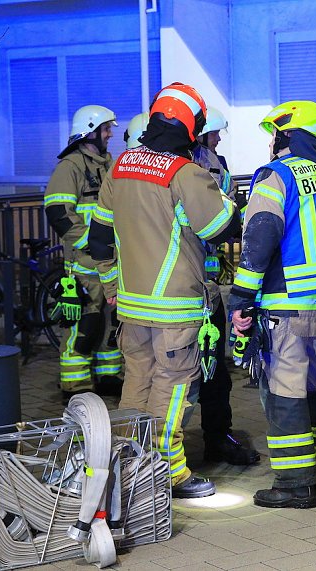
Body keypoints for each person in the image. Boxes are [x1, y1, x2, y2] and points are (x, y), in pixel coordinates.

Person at [88, 83, 240, 499]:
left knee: (136, 381)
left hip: (131, 305)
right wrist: (226, 198)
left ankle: (125, 466)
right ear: (191, 127)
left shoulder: (119, 168)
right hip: (175, 306)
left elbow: (99, 240)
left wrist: (111, 286)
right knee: (172, 388)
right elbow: (222, 229)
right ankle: (167, 473)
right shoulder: (186, 173)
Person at [228, 100, 316, 509]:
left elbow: (260, 236)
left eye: (274, 134)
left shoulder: (276, 175)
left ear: (286, 134)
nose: (271, 141)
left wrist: (242, 297)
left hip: (285, 302)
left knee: (285, 391)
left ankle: (296, 483)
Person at [190, 107, 260, 466]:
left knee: (213, 369)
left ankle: (218, 438)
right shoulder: (187, 169)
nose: (218, 139)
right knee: (194, 374)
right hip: (184, 287)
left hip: (204, 281)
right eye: (214, 133)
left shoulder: (212, 162)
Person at [44, 105, 123, 400]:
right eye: (106, 129)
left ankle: (108, 376)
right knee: (85, 325)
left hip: (110, 262)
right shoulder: (70, 166)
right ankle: (75, 383)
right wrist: (90, 242)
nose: (110, 134)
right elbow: (59, 214)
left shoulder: (107, 163)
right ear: (90, 131)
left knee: (111, 322)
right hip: (84, 263)